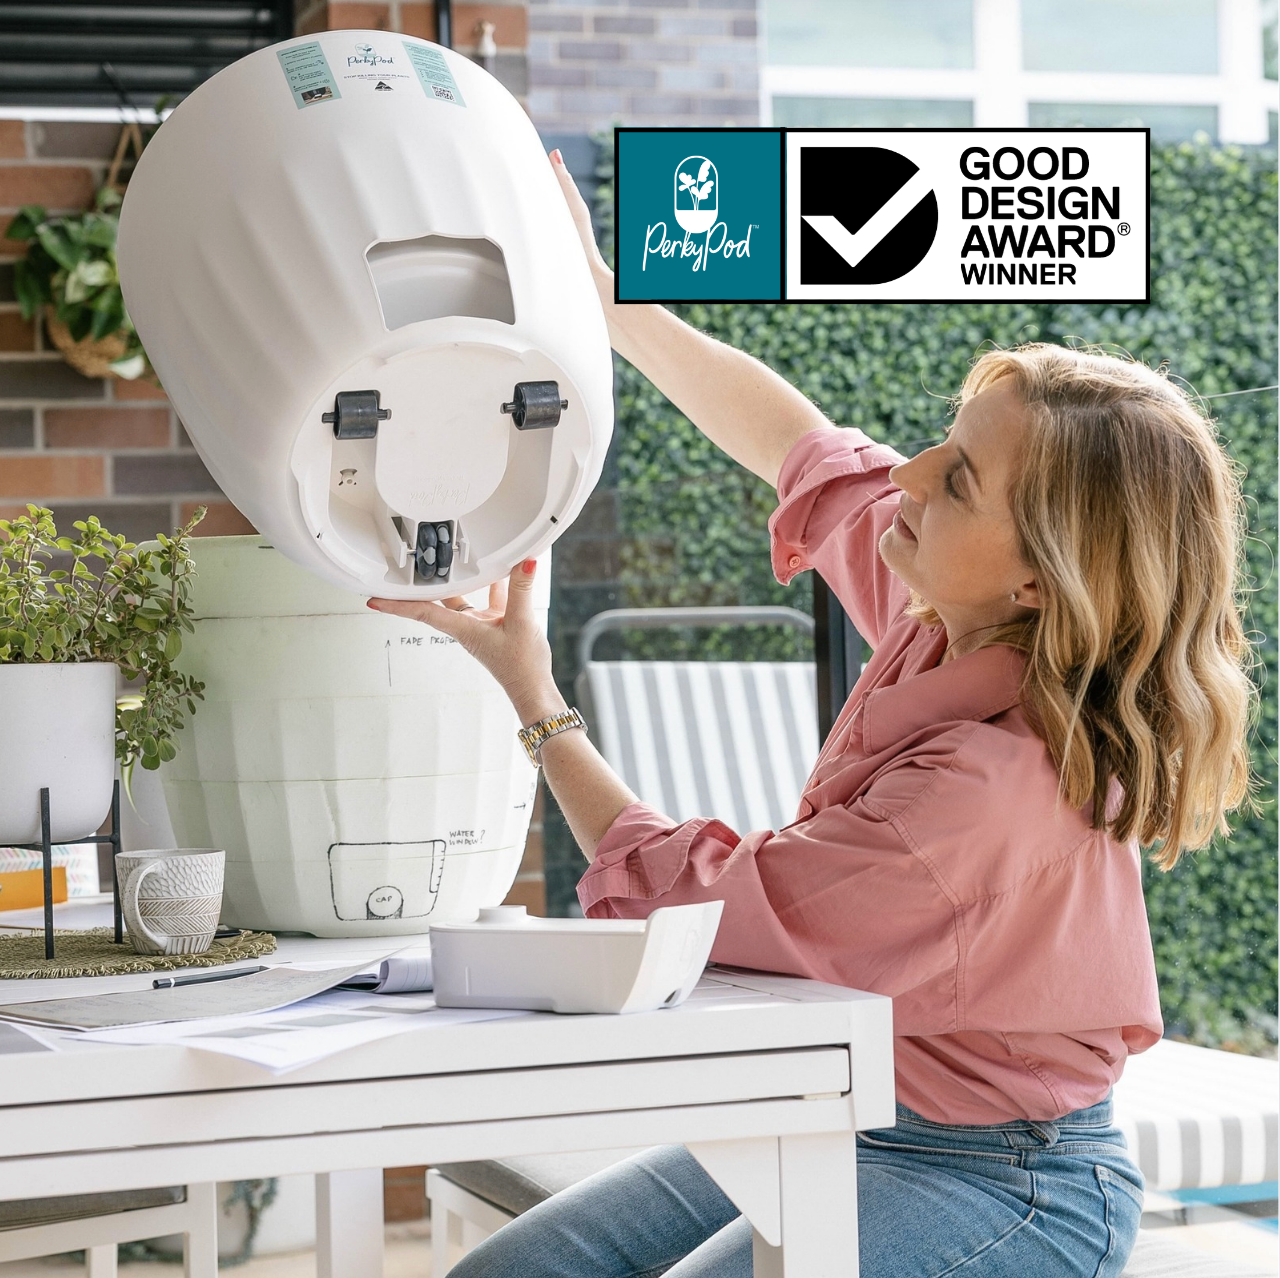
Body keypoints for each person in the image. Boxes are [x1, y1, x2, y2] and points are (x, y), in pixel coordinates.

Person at [368, 151, 1256, 1278]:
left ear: (1039, 578)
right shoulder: (950, 612)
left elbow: (699, 896)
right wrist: (612, 309)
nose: (916, 471)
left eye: (960, 478)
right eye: (947, 434)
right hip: (841, 1108)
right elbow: (798, 447)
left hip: (1002, 1179)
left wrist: (533, 696)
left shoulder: (984, 790)